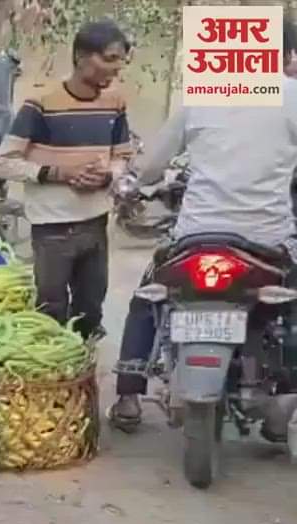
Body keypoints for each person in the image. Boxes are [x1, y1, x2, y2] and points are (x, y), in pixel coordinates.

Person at [109, 19, 297, 430]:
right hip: (267, 239)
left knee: (148, 297)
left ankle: (128, 396)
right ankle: (285, 401)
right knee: (290, 304)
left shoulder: (203, 95)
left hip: (197, 235)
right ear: (285, 56)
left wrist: (133, 185)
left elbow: (151, 166)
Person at [0, 19, 132, 339]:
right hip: (52, 227)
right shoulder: (41, 104)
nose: (117, 68)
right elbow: (3, 163)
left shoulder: (115, 103)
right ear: (81, 57)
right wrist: (57, 173)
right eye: (110, 58)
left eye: (121, 60)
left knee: (90, 311)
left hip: (95, 223)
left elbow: (123, 157)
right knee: (51, 311)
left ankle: (84, 364)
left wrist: (107, 175)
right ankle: (55, 367)